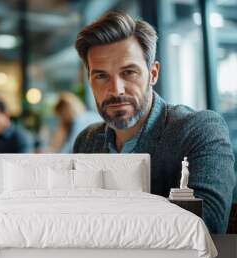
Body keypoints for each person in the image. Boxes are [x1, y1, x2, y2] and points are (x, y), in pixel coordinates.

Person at [73, 11, 235, 233]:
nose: (116, 90)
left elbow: (206, 228)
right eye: (101, 76)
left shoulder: (198, 130)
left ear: (153, 73)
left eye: (129, 72)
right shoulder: (87, 141)